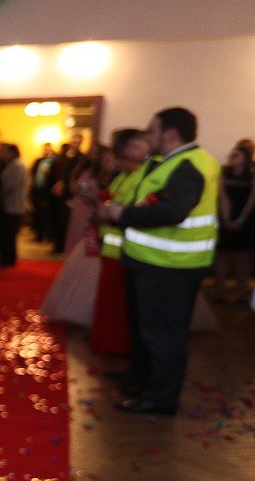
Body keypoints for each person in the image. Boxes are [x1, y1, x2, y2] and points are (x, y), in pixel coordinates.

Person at [99, 107, 219, 415]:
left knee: (164, 337)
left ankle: (160, 399)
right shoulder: (169, 162)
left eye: (152, 130)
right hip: (156, 262)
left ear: (171, 134)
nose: (146, 136)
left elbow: (173, 211)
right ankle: (143, 381)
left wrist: (124, 214)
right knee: (148, 331)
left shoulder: (188, 165)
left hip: (171, 266)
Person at [90, 129, 150, 355]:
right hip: (111, 245)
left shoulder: (142, 177)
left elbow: (127, 208)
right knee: (109, 300)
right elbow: (111, 199)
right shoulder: (123, 176)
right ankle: (106, 341)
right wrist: (99, 200)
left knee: (118, 303)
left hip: (124, 247)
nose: (118, 163)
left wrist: (108, 209)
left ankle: (117, 345)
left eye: (121, 158)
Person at [38, 147, 106, 326]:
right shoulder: (81, 167)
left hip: (91, 210)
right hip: (79, 207)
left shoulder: (103, 173)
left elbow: (103, 195)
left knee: (86, 248)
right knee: (75, 241)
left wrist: (92, 194)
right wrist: (77, 189)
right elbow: (72, 185)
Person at [213, 140, 255, 301]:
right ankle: (220, 291)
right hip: (226, 218)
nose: (233, 158)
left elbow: (252, 199)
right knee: (223, 256)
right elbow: (222, 196)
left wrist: (241, 220)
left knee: (242, 257)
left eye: (238, 156)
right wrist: (226, 219)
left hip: (246, 219)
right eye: (233, 155)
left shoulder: (252, 174)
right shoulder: (224, 172)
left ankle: (241, 292)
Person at [0, 142, 29, 268]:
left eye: (5, 152)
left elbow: (8, 185)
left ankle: (7, 259)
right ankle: (9, 258)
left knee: (8, 234)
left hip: (12, 205)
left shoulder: (16, 166)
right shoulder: (15, 165)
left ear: (12, 153)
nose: (3, 155)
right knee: (8, 234)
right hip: (13, 204)